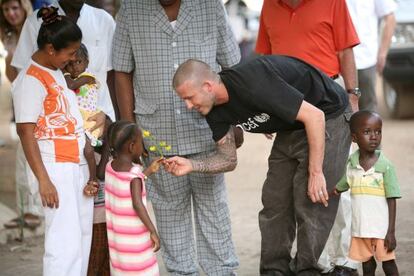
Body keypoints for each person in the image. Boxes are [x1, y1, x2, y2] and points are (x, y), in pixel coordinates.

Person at [165, 56, 353, 275]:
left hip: (328, 115)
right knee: (275, 201)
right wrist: (191, 164)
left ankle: (307, 270)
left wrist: (316, 171)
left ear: (207, 86)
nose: (188, 106)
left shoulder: (253, 83)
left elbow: (315, 116)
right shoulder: (212, 108)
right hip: (292, 125)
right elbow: (228, 159)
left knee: (312, 201)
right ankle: (274, 270)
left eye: (189, 98)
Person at [112, 0, 241, 274]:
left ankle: (221, 271)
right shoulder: (131, 9)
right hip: (156, 135)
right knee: (170, 215)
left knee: (213, 214)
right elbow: (122, 71)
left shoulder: (209, 6)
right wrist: (130, 128)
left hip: (207, 132)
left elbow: (232, 65)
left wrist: (235, 119)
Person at [255, 1, 360, 273]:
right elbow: (264, 58)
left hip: (330, 100)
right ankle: (311, 265)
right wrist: (264, 105)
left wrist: (352, 97)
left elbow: (345, 49)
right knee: (285, 193)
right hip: (286, 102)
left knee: (333, 188)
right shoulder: (269, 5)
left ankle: (345, 261)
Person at [11, 7, 93, 275]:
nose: (73, 59)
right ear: (50, 48)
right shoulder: (30, 80)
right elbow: (26, 132)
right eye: (70, 53)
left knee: (81, 240)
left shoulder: (54, 70)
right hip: (54, 169)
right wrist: (44, 180)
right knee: (63, 244)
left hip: (74, 164)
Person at [332, 111, 400, 276]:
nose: (374, 136)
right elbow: (342, 185)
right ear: (354, 138)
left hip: (381, 230)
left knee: (389, 265)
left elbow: (392, 200)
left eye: (378, 131)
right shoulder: (351, 165)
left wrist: (390, 232)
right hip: (361, 229)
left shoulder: (386, 167)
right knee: (367, 266)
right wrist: (330, 193)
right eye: (367, 132)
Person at [105, 121, 162, 275]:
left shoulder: (110, 167)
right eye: (140, 142)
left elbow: (126, 187)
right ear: (131, 147)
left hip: (119, 239)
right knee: (141, 270)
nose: (142, 146)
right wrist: (153, 230)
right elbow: (137, 204)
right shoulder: (134, 175)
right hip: (135, 239)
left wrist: (148, 172)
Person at [64, 43, 103, 194]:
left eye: (79, 62)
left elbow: (72, 85)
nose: (75, 67)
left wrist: (64, 72)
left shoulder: (88, 77)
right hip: (77, 119)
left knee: (88, 149)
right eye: (70, 64)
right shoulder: (69, 77)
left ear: (86, 62)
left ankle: (93, 178)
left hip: (90, 120)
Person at [346, 0, 397, 112]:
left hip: (366, 59)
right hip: (338, 60)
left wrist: (383, 53)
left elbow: (390, 18)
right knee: (342, 109)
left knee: (368, 111)